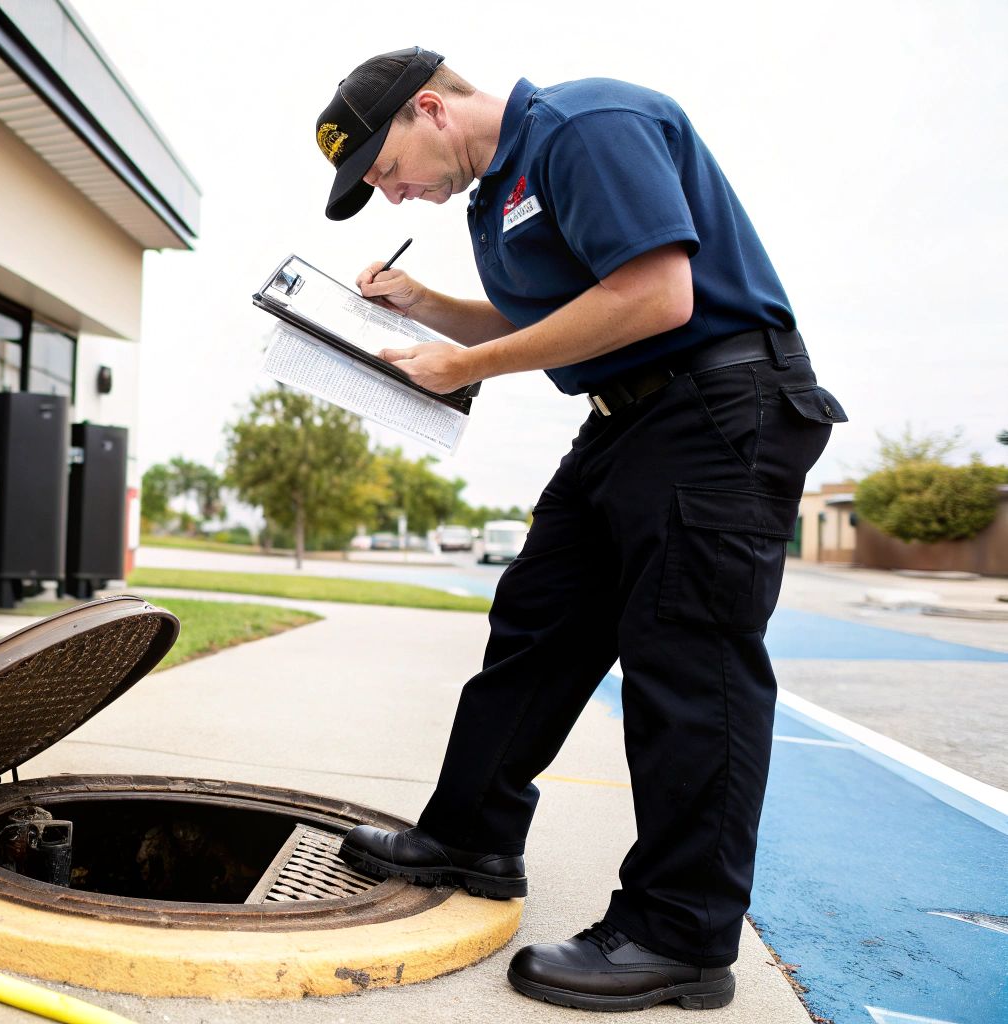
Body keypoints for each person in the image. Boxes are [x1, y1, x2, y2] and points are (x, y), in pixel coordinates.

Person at [313, 48, 848, 1011]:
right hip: (626, 420)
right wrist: (427, 310)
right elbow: (571, 312)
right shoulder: (494, 197)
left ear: (429, 108)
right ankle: (472, 834)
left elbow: (654, 296)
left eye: (384, 172)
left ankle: (679, 937)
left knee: (689, 667)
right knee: (536, 625)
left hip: (718, 406)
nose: (391, 197)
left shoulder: (582, 125)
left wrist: (467, 369)